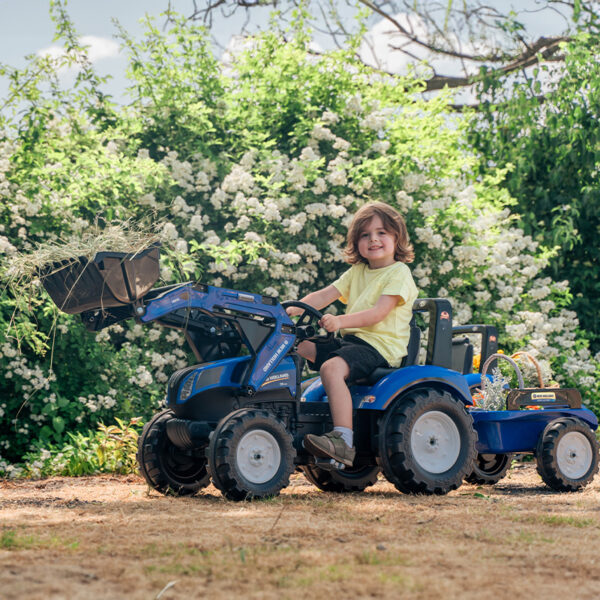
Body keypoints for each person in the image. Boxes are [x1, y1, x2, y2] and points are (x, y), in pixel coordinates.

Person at [286, 201, 418, 467]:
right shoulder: (357, 272)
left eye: (382, 233)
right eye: (365, 235)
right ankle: (287, 414)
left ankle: (343, 441)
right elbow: (324, 295)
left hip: (379, 348)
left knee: (332, 369)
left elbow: (378, 314)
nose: (374, 240)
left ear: (397, 237)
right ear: (357, 242)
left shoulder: (399, 273)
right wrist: (289, 310)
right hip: (351, 345)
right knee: (295, 345)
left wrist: (339, 320)